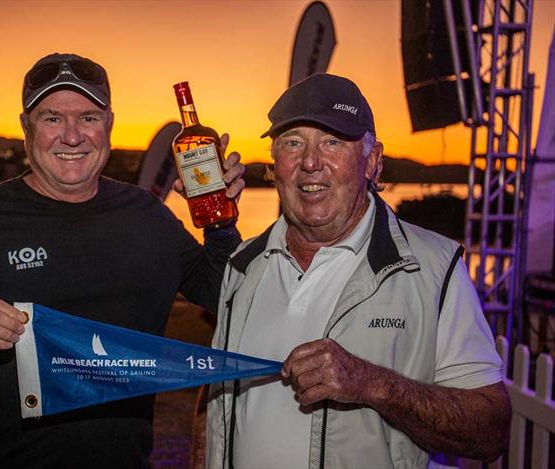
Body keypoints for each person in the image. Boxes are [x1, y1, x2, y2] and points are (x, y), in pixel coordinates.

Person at [0, 52, 245, 468]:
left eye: (88, 117)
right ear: (25, 127)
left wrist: (220, 220)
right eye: (52, 118)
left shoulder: (147, 215)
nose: (72, 136)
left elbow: (219, 293)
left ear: (109, 125)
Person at [201, 73, 510, 468]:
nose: (310, 162)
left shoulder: (434, 267)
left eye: (332, 142)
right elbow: (217, 401)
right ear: (275, 165)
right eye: (293, 143)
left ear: (373, 161)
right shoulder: (243, 264)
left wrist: (374, 385)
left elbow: (489, 429)